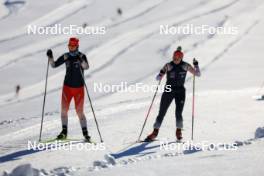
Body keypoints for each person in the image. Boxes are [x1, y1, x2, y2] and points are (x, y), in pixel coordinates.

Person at [145, 46, 201, 141]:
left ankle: (178, 131)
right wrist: (161, 74)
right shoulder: (168, 65)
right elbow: (158, 78)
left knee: (178, 113)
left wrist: (196, 65)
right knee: (162, 112)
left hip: (180, 91)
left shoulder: (185, 65)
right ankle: (155, 132)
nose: (175, 60)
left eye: (177, 58)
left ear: (181, 58)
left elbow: (198, 74)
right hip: (169, 90)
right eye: (174, 58)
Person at [46, 37, 91, 141]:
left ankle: (85, 134)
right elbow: (54, 65)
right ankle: (64, 132)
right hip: (67, 88)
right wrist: (50, 57)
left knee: (79, 111)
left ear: (77, 46)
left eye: (73, 46)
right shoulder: (66, 56)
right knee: (64, 111)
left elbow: (86, 67)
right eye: (69, 46)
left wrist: (81, 61)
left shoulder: (81, 56)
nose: (71, 48)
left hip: (79, 88)